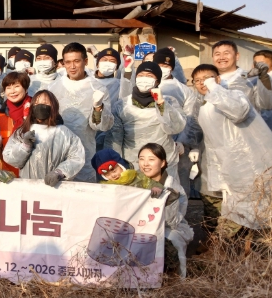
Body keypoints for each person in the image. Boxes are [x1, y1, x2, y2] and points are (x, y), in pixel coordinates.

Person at [190, 64, 272, 238]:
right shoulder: (204, 107)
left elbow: (238, 112)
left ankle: (255, 246)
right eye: (197, 80)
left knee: (257, 211)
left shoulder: (235, 95)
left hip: (250, 164)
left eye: (207, 78)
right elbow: (210, 143)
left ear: (218, 79)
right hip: (230, 169)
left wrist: (213, 87)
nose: (202, 83)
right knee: (241, 214)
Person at [106, 60, 186, 184]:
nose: (144, 79)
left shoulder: (170, 101)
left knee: (165, 193)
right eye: (141, 75)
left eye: (149, 76)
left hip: (163, 160)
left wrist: (161, 104)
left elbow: (176, 128)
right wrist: (115, 162)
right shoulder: (122, 105)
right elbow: (114, 138)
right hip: (133, 162)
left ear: (158, 81)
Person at [47, 43, 113, 183]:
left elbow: (102, 126)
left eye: (76, 61)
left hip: (85, 150)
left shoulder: (98, 88)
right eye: (68, 62)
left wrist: (98, 108)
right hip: (57, 150)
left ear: (85, 61)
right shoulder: (53, 88)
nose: (72, 66)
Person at [3, 90, 85, 185]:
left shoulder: (65, 133)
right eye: (36, 103)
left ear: (53, 106)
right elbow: (10, 158)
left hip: (54, 186)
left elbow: (77, 158)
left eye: (45, 103)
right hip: (27, 186)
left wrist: (59, 172)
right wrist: (24, 146)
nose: (40, 106)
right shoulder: (23, 131)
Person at [137, 143, 193, 277]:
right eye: (141, 159)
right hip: (139, 225)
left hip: (167, 227)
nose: (145, 164)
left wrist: (168, 201)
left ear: (162, 163)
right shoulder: (136, 181)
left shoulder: (170, 186)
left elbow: (172, 220)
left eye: (151, 159)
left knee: (169, 241)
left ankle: (172, 278)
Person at [153, 48, 200, 186]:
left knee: (177, 184)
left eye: (166, 66)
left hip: (177, 146)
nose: (163, 68)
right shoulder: (147, 85)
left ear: (172, 68)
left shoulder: (184, 90)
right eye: (159, 65)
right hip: (152, 141)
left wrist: (182, 142)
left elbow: (191, 119)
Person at [211, 40, 255, 105]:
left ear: (237, 56)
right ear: (213, 58)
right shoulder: (207, 81)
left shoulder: (251, 79)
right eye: (217, 54)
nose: (221, 57)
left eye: (226, 53)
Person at [248, 49, 272, 130]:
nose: (258, 66)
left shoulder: (268, 79)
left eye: (262, 63)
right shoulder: (252, 79)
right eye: (255, 63)